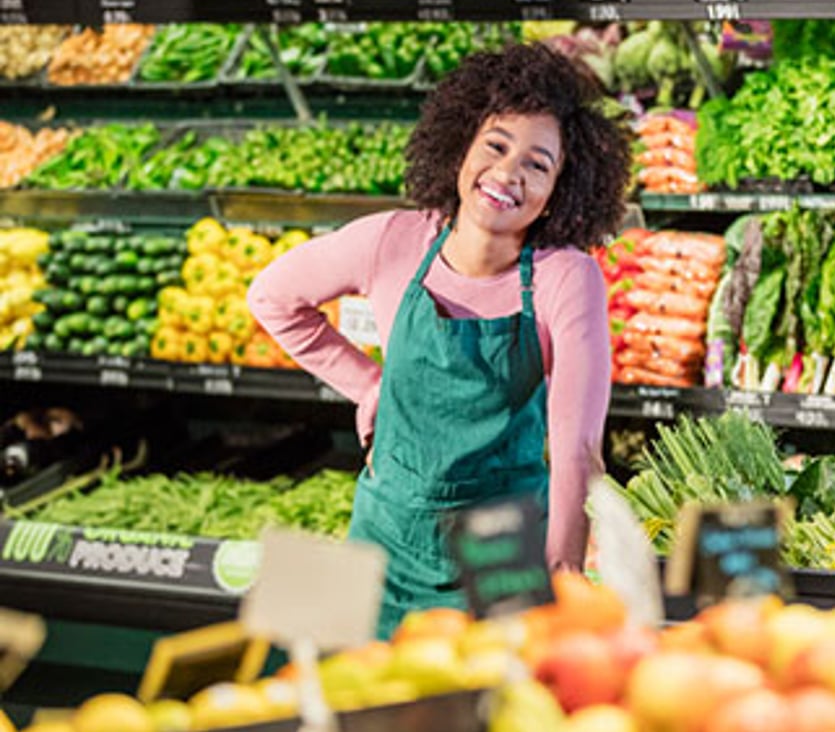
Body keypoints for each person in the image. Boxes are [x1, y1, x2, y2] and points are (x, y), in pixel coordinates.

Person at [248, 43, 631, 638]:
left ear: (563, 187)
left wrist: (565, 574)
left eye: (538, 164)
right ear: (462, 146)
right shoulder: (391, 242)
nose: (508, 174)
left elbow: (577, 451)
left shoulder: (565, 276)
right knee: (363, 699)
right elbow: (272, 298)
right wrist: (370, 385)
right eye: (496, 146)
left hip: (503, 545)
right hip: (388, 534)